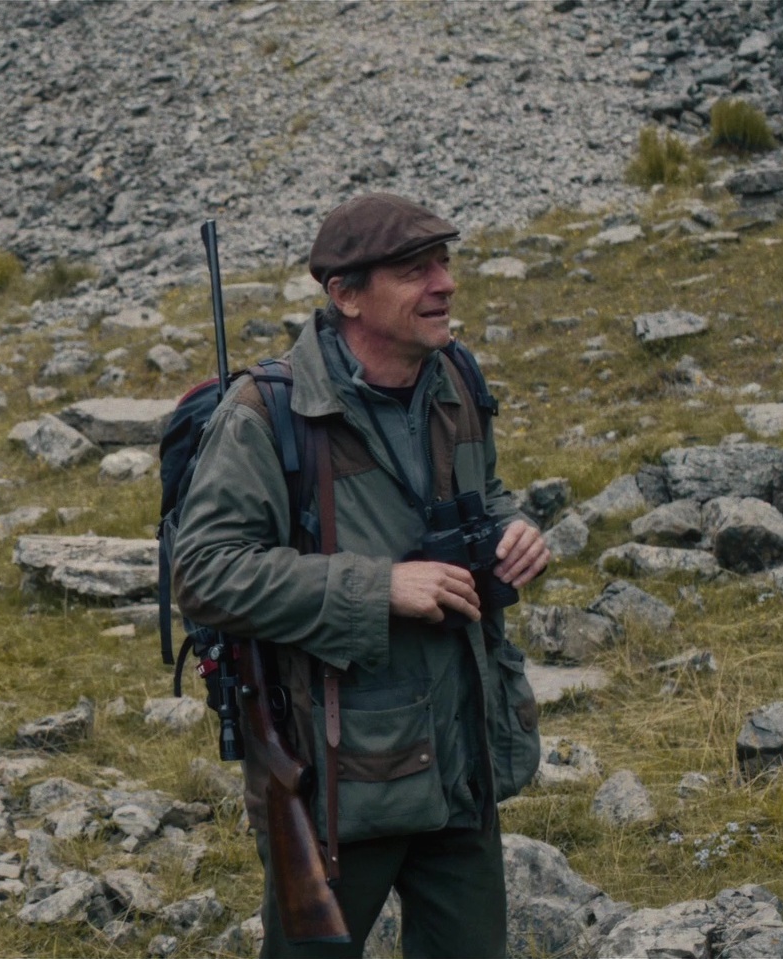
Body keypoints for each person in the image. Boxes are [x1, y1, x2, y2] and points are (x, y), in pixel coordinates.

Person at [172, 193, 549, 958]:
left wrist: (514, 532)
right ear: (346, 294)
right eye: (415, 271)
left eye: (444, 262)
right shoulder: (266, 414)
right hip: (339, 782)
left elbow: (487, 495)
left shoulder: (456, 379)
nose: (445, 283)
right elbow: (206, 572)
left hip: (461, 754)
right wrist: (380, 589)